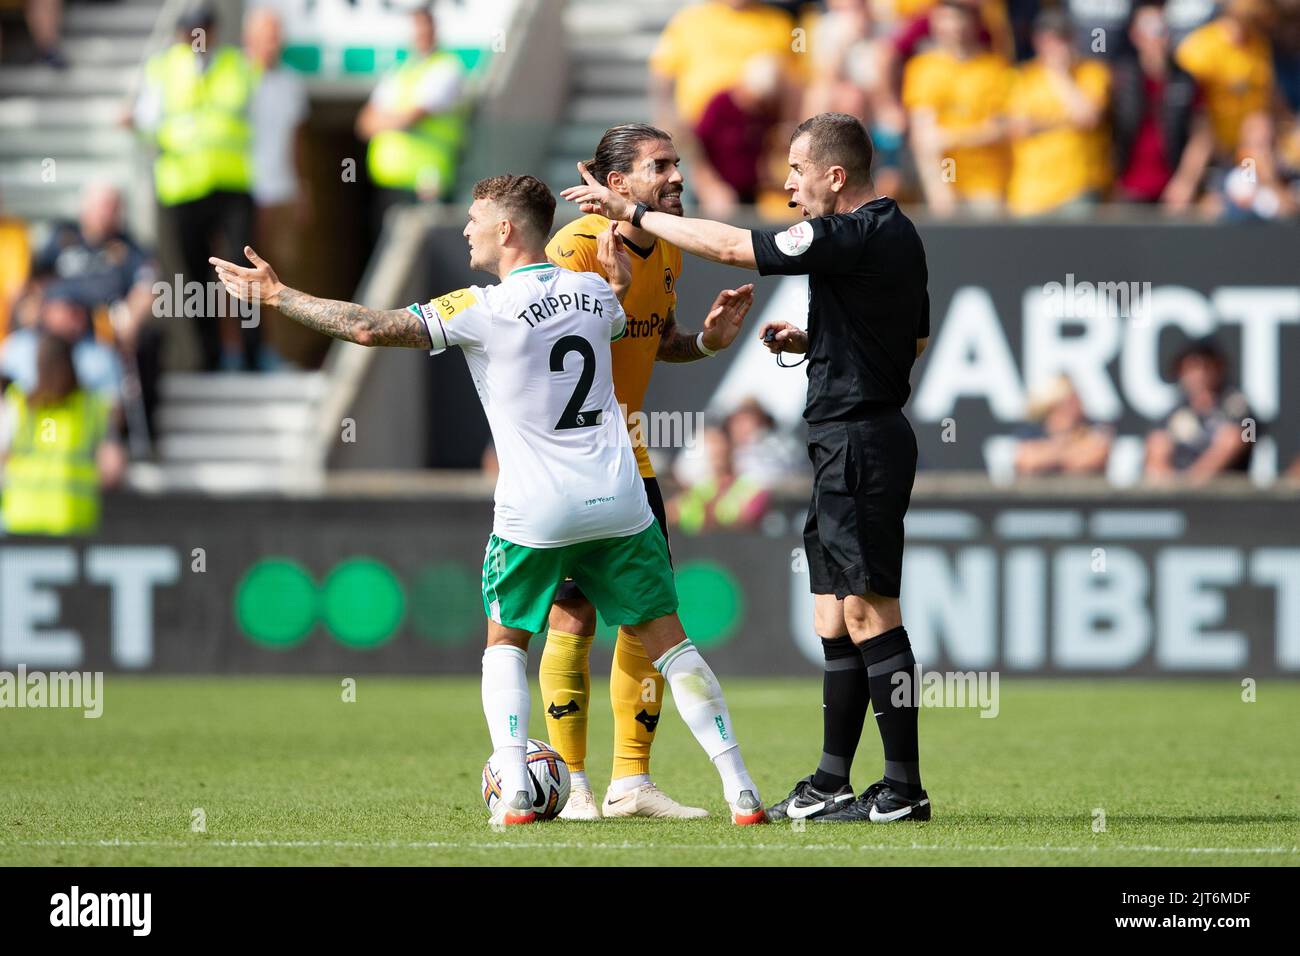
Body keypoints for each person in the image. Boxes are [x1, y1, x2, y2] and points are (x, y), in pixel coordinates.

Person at [211, 174, 766, 827]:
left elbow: (365, 328)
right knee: (671, 645)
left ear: (507, 230)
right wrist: (625, 289)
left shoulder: (479, 307)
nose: (468, 229)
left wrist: (278, 295)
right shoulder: (591, 292)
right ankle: (743, 792)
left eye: (476, 218)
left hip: (536, 507)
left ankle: (519, 795)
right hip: (618, 496)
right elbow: (612, 314)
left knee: (505, 642)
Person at [563, 111, 933, 824]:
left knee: (867, 608)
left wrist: (636, 211)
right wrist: (822, 338)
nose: (789, 187)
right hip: (839, 437)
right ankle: (832, 780)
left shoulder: (851, 231)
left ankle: (903, 788)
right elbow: (911, 335)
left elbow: (737, 246)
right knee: (832, 615)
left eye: (796, 171)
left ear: (834, 175)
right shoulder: (883, 240)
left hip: (861, 439)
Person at [541, 123, 754, 821]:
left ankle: (631, 781)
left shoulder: (667, 249)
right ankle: (570, 783)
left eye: (677, 164)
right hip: (571, 463)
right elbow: (544, 359)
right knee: (571, 615)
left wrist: (707, 344)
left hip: (632, 459)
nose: (677, 177)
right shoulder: (571, 250)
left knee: (645, 617)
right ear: (616, 183)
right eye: (659, 166)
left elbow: (656, 343)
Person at [132, 2, 259, 371]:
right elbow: (147, 120)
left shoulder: (236, 66)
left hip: (231, 184)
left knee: (244, 270)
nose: (196, 38)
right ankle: (210, 356)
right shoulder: (164, 69)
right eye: (190, 31)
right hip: (183, 189)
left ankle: (250, 354)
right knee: (197, 282)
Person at [26, 182, 160, 445]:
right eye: (101, 206)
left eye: (113, 207)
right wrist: (45, 312)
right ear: (84, 208)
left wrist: (129, 317)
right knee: (14, 358)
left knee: (105, 375)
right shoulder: (62, 238)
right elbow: (33, 284)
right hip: (47, 338)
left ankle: (105, 445)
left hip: (96, 337)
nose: (106, 214)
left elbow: (149, 284)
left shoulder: (128, 247)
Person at [649, 0, 797, 216]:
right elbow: (662, 75)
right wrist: (664, 121)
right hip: (699, 134)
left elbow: (795, 83)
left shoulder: (780, 23)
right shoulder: (689, 21)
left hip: (759, 134)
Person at [244, 6, 316, 367]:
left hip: (283, 192)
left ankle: (277, 353)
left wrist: (303, 188)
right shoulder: (236, 79)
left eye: (277, 34)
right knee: (238, 281)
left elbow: (297, 142)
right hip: (244, 194)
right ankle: (238, 355)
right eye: (267, 34)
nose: (274, 42)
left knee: (281, 278)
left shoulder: (291, 82)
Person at [0, 334, 125, 536]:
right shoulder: (18, 404)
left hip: (72, 524)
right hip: (24, 524)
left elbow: (110, 462)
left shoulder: (91, 406)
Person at [357, 4, 468, 230]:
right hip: (390, 184)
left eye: (424, 28)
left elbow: (410, 117)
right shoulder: (400, 72)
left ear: (434, 31)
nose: (419, 34)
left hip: (426, 183)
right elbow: (364, 124)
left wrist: (387, 119)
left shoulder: (447, 68)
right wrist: (394, 120)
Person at [903, 0, 1013, 215]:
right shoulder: (924, 68)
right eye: (946, 18)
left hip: (989, 182)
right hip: (946, 180)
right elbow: (924, 134)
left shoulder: (995, 68)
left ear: (974, 23)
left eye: (960, 18)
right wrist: (938, 187)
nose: (954, 26)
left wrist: (953, 137)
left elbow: (1001, 128)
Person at [1005, 11, 1112, 216]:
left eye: (1063, 39)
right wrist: (1065, 121)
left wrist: (1060, 75)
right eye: (1049, 40)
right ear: (1037, 42)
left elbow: (1087, 117)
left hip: (1078, 187)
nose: (1056, 47)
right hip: (1031, 191)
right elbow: (1019, 127)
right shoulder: (1022, 77)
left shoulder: (1093, 72)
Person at [1111, 2, 1214, 208]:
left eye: (1164, 29)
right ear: (1135, 35)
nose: (1159, 37)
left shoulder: (1185, 80)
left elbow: (1202, 136)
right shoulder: (1119, 79)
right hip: (1129, 190)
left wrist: (1185, 181)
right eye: (1151, 29)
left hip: (1173, 193)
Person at [1145, 339, 1253, 483]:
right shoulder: (1175, 412)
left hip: (1224, 492)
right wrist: (1169, 484)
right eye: (1190, 369)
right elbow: (1156, 451)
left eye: (1205, 368)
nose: (1199, 376)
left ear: (1218, 369)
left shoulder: (1238, 406)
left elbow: (1238, 442)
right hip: (1177, 491)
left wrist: (1191, 483)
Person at [667, 424, 771, 533]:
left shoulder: (751, 488)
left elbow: (748, 521)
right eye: (714, 451)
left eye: (722, 450)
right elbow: (668, 514)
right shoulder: (699, 488)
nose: (718, 455)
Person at [1014, 375, 1113, 476]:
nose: (1077, 404)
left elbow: (1093, 459)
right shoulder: (1032, 429)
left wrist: (1045, 454)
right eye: (1069, 401)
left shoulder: (1094, 426)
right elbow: (1027, 461)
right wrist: (1068, 449)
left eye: (1075, 399)